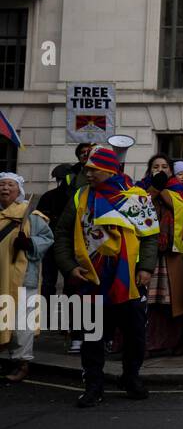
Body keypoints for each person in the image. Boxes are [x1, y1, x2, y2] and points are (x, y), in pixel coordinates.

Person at [51, 146, 160, 407]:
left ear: (109, 170)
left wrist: (145, 268)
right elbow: (63, 234)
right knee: (92, 336)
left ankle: (131, 378)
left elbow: (149, 236)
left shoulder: (136, 198)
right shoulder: (80, 197)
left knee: (135, 335)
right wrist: (69, 267)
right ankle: (93, 386)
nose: (88, 173)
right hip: (92, 279)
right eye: (87, 169)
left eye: (93, 169)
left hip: (129, 279)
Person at [35, 143, 92, 351]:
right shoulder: (66, 187)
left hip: (87, 241)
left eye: (90, 153)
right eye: (83, 154)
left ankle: (98, 333)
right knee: (67, 285)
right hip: (63, 241)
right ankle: (73, 331)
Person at [0, 173, 54, 383]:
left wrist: (29, 243)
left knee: (22, 322)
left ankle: (22, 362)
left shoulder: (31, 216)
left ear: (18, 191)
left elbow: (48, 238)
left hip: (23, 278)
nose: (5, 188)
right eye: (2, 185)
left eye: (10, 185)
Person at [144, 157, 183, 356]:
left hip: (171, 255)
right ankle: (145, 343)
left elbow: (182, 209)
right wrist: (153, 188)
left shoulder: (178, 190)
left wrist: (161, 189)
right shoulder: (141, 189)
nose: (160, 170)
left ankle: (172, 342)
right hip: (147, 254)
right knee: (146, 302)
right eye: (156, 167)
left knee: (172, 303)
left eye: (164, 167)